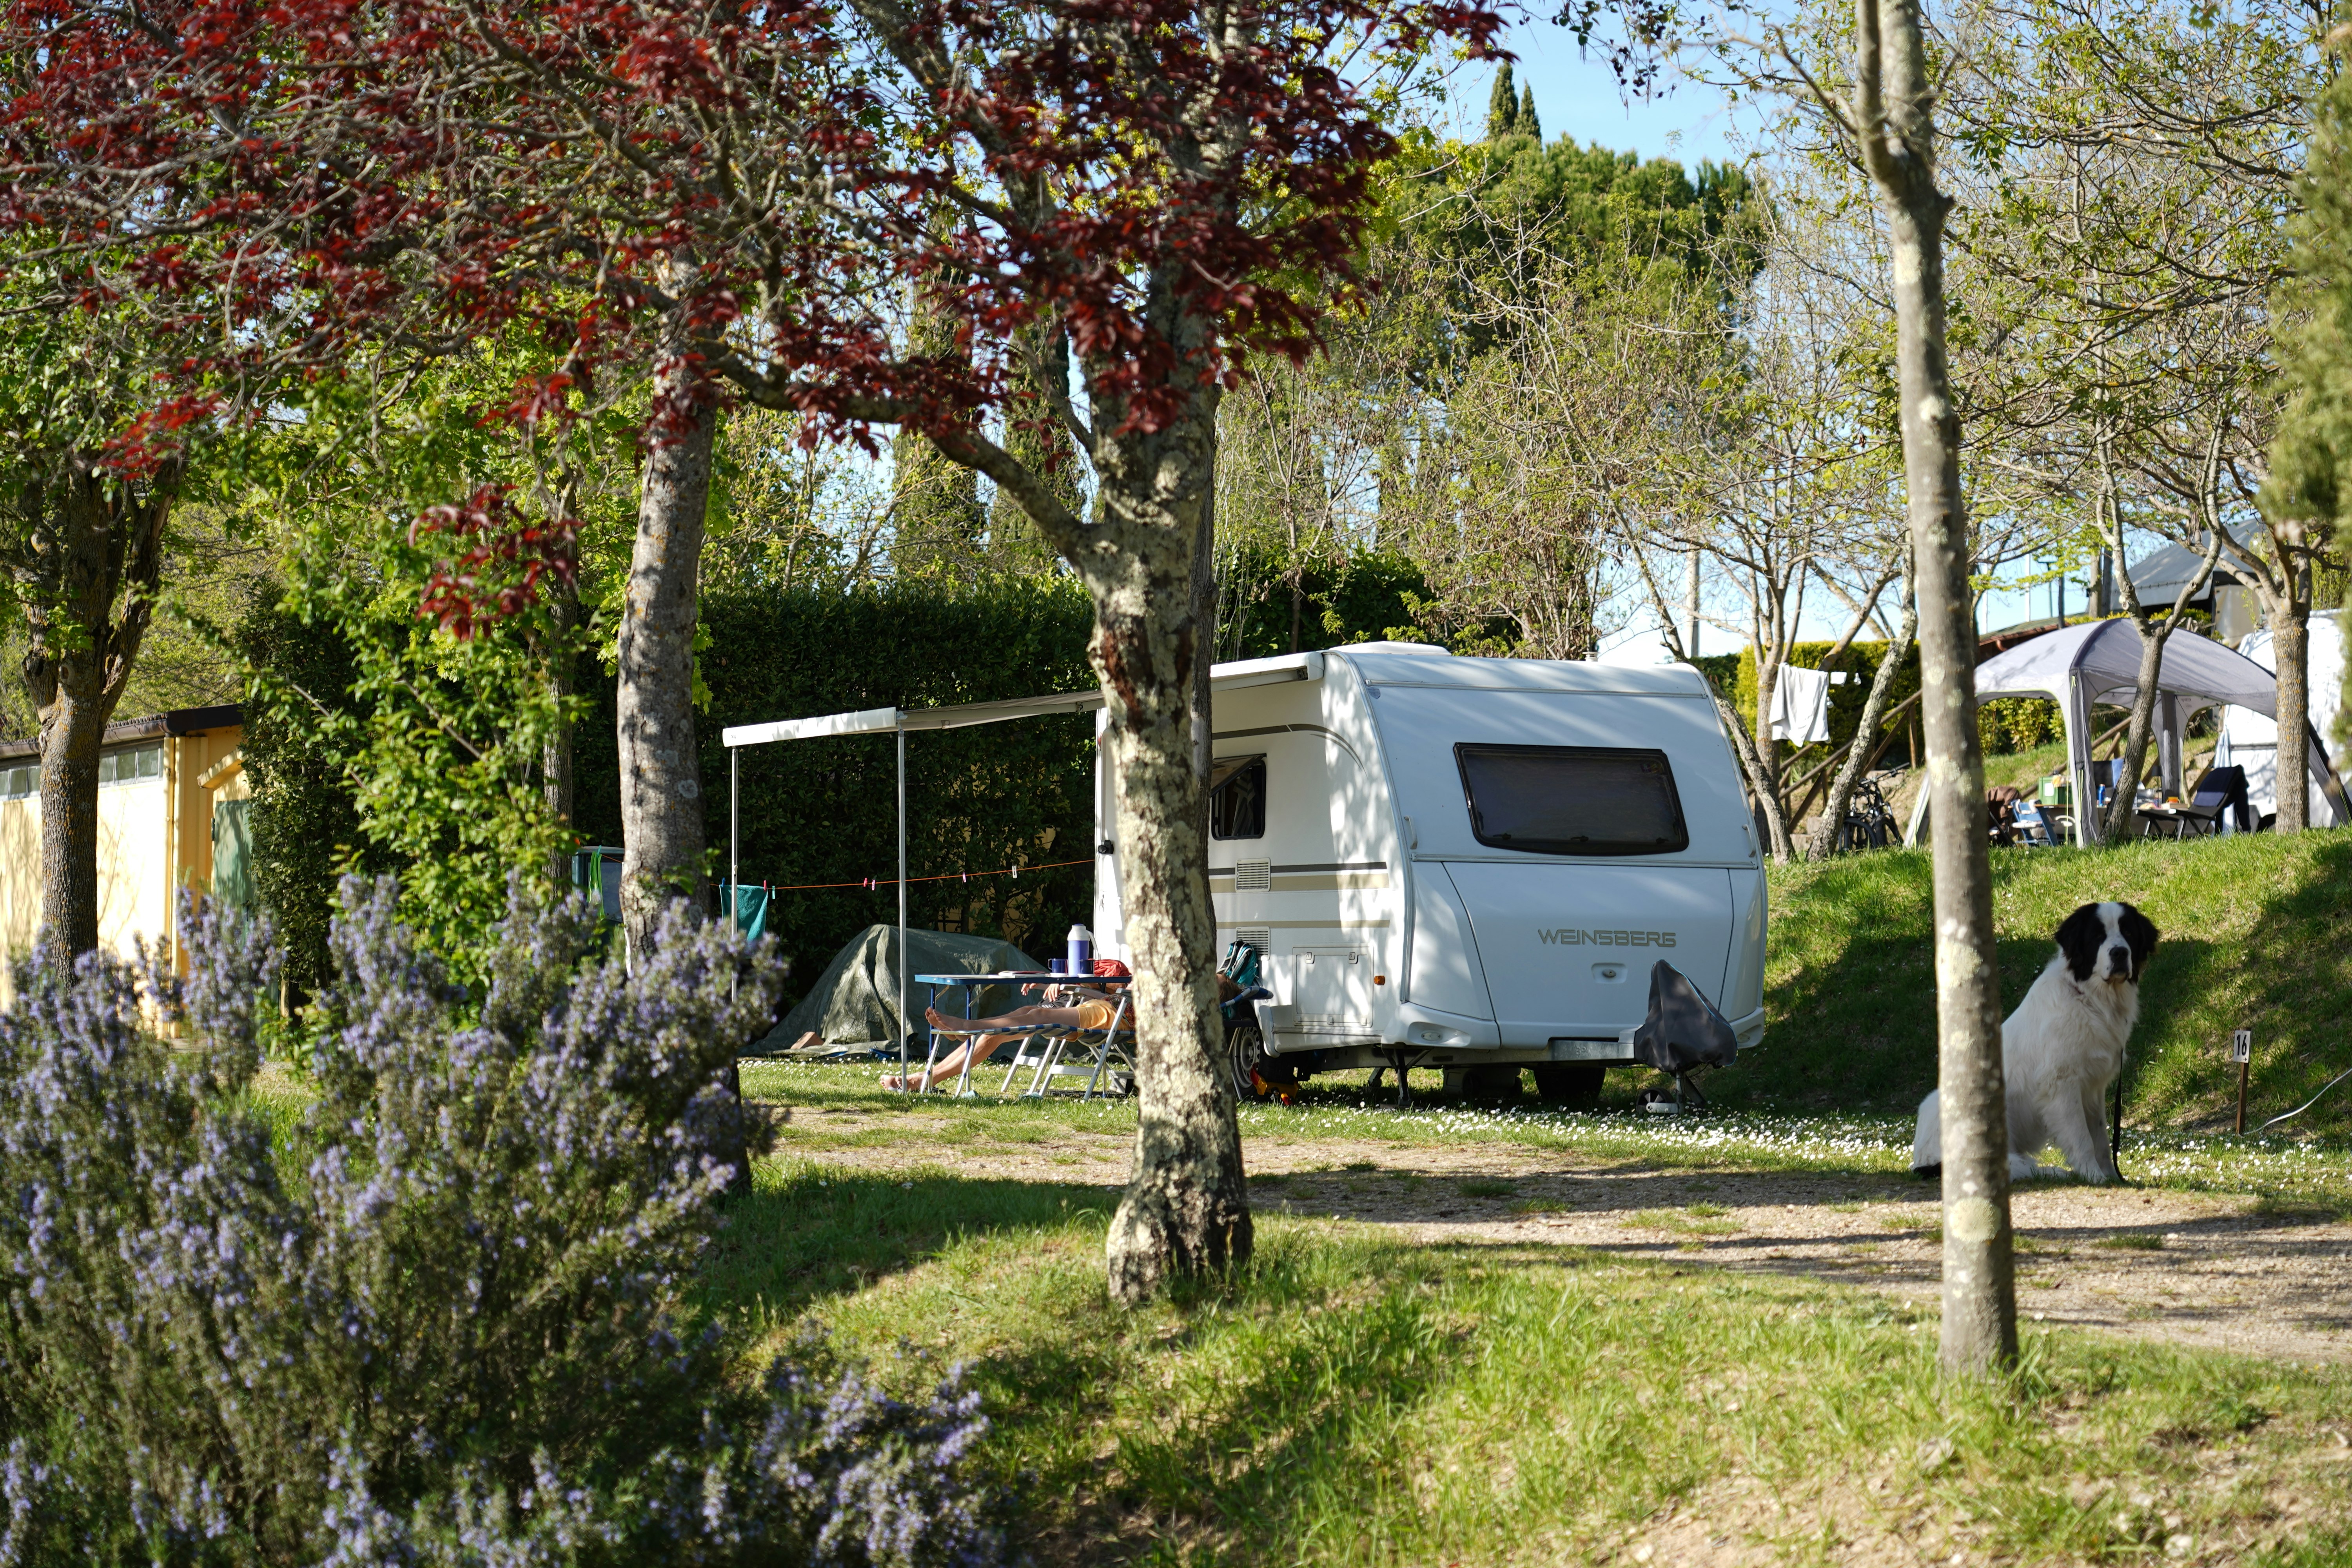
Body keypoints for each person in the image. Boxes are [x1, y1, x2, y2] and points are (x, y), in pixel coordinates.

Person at [883, 982, 1124, 1093]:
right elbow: (1103, 986)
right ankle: (923, 1080)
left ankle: (969, 1026)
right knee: (1022, 1015)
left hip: (1113, 1014)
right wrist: (1057, 982)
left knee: (1037, 1014)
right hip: (1096, 1003)